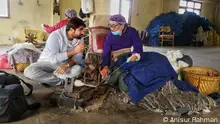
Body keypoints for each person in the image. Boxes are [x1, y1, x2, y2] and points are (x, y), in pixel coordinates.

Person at [24, 17, 86, 86]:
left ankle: (48, 79)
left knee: (78, 69)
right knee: (29, 71)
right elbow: (53, 58)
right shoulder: (55, 36)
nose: (83, 32)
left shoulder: (80, 38)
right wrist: (74, 51)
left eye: (83, 30)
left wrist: (67, 65)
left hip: (64, 65)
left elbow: (78, 59)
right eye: (80, 30)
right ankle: (60, 81)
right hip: (48, 62)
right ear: (72, 30)